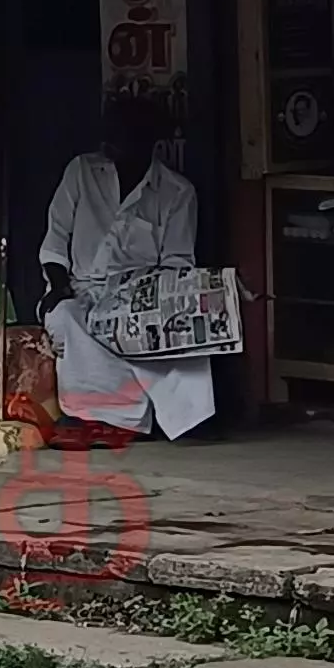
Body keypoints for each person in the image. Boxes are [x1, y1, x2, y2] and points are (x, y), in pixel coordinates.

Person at [40, 93, 218, 439]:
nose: (116, 146)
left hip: (137, 298)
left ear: (151, 141)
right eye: (114, 136)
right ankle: (97, 416)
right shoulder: (81, 172)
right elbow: (54, 242)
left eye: (129, 137)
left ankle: (121, 419)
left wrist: (143, 301)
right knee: (67, 321)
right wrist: (60, 289)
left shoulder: (177, 192)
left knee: (168, 339)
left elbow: (177, 264)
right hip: (79, 291)